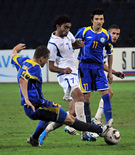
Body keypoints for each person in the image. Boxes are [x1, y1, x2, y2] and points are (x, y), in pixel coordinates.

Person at [11, 43, 110, 147]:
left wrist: (15, 49)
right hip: (37, 106)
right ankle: (101, 130)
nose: (47, 62)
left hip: (33, 107)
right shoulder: (35, 67)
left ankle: (34, 139)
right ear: (41, 58)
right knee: (71, 120)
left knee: (46, 117)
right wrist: (27, 99)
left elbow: (13, 56)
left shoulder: (23, 61)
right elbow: (23, 79)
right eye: (46, 59)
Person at [38, 14, 96, 145]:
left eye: (69, 27)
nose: (68, 30)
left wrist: (78, 44)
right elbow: (51, 67)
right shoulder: (52, 44)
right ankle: (85, 133)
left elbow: (72, 44)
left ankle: (44, 131)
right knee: (80, 98)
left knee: (72, 113)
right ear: (58, 26)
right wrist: (63, 70)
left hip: (73, 73)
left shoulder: (68, 34)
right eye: (65, 27)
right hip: (65, 75)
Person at [75, 8, 114, 126]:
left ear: (103, 20)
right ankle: (88, 126)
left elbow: (110, 53)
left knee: (105, 93)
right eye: (97, 19)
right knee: (86, 97)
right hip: (85, 67)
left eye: (101, 19)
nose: (99, 21)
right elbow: (73, 46)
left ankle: (109, 122)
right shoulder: (83, 32)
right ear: (92, 20)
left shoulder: (106, 35)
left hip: (98, 67)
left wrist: (110, 72)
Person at [91, 24, 125, 126]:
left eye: (117, 34)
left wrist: (113, 72)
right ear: (108, 33)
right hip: (91, 70)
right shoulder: (102, 44)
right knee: (81, 99)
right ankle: (94, 119)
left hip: (96, 70)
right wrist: (112, 72)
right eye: (113, 33)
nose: (115, 36)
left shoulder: (108, 45)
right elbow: (100, 63)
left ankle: (96, 118)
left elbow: (103, 63)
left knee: (108, 93)